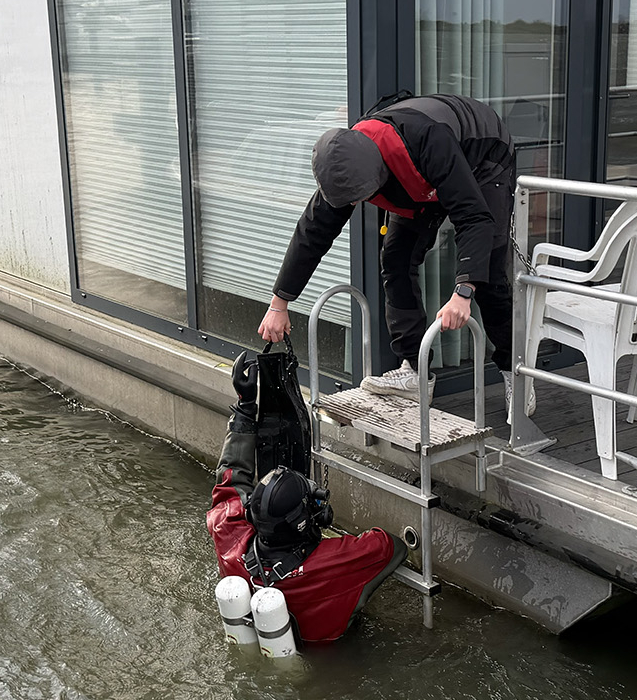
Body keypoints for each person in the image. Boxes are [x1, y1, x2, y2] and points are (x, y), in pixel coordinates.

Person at [258, 94, 517, 403]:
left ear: (378, 176)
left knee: (488, 273)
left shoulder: (428, 141)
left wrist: (464, 291)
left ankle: (513, 371)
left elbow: (473, 218)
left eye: (359, 198)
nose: (354, 204)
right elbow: (312, 233)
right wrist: (279, 303)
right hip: (420, 173)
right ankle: (415, 370)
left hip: (484, 157)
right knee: (395, 259)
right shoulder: (345, 161)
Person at [206, 352, 408, 642]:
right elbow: (392, 546)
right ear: (303, 521)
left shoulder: (229, 533)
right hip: (336, 660)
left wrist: (245, 406)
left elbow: (230, 474)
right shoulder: (335, 562)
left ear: (252, 513)